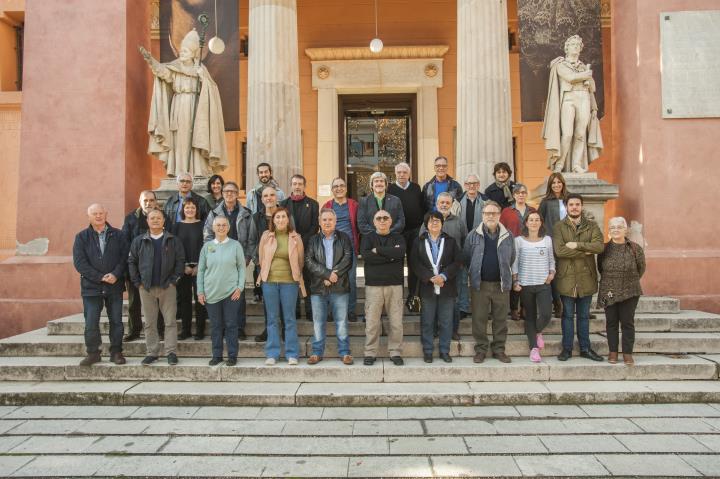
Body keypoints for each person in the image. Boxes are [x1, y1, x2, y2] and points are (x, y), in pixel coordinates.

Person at [139, 29, 228, 177]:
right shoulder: (175, 67)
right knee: (180, 139)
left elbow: (211, 90)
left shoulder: (201, 69)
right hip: (179, 106)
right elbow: (162, 72)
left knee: (197, 137)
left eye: (186, 51)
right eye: (181, 50)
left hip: (197, 108)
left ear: (193, 53)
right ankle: (179, 171)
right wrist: (151, 61)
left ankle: (198, 171)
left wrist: (202, 78)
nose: (182, 53)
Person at [72, 203, 129, 366]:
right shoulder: (81, 237)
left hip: (114, 285)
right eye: (94, 213)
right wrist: (100, 277)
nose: (98, 216)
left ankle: (116, 352)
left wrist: (116, 274)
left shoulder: (118, 235)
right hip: (91, 287)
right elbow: (79, 263)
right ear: (88, 216)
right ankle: (93, 353)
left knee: (116, 321)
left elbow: (125, 257)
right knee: (91, 322)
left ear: (106, 214)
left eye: (101, 213)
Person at [128, 209, 185, 366]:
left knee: (170, 321)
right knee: (150, 322)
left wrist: (174, 280)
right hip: (146, 288)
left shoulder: (173, 240)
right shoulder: (139, 241)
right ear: (147, 221)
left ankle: (171, 352)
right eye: (152, 218)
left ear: (163, 221)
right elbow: (131, 262)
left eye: (158, 218)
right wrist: (137, 282)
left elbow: (180, 261)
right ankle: (152, 352)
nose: (155, 221)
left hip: (168, 287)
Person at [553, 193, 604, 362]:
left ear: (582, 206)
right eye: (571, 204)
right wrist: (585, 251)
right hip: (566, 277)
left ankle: (585, 348)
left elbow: (599, 246)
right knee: (567, 316)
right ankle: (566, 349)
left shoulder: (592, 226)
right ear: (566, 207)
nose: (574, 207)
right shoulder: (559, 227)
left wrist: (576, 245)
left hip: (586, 278)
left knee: (583, 316)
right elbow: (560, 251)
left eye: (577, 204)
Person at [204, 181, 257, 340]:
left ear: (237, 194)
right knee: (220, 294)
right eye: (226, 191)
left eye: (232, 191)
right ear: (222, 193)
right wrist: (212, 258)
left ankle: (239, 327)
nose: (229, 194)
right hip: (219, 261)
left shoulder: (246, 213)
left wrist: (247, 257)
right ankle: (222, 328)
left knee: (238, 295)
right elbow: (207, 236)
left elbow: (251, 238)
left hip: (238, 260)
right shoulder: (214, 213)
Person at [542, 35, 603, 174]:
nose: (575, 46)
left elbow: (592, 87)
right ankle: (559, 163)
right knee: (568, 134)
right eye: (572, 44)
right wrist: (586, 75)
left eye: (578, 45)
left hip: (584, 98)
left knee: (580, 134)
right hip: (569, 98)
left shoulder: (583, 66)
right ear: (567, 48)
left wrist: (589, 80)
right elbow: (570, 77)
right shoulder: (561, 65)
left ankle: (576, 164)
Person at [464, 201, 515, 364]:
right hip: (480, 285)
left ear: (499, 215)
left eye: (494, 213)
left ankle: (499, 350)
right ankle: (481, 349)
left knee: (500, 319)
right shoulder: (473, 235)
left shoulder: (508, 235)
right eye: (487, 213)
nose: (490, 216)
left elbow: (512, 257)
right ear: (482, 215)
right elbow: (467, 258)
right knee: (479, 319)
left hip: (501, 285)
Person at [304, 209, 354, 365]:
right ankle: (317, 353)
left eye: (330, 220)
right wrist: (326, 275)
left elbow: (348, 259)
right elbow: (309, 261)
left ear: (335, 221)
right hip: (318, 287)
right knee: (318, 322)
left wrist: (333, 276)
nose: (327, 222)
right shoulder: (313, 240)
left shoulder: (344, 238)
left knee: (341, 322)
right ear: (319, 222)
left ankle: (345, 353)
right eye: (324, 219)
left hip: (340, 287)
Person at [411, 212, 462, 363]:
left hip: (447, 286)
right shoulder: (418, 241)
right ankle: (428, 351)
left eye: (437, 221)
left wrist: (444, 276)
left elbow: (457, 261)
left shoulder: (451, 241)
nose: (434, 223)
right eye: (431, 221)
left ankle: (444, 351)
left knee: (446, 321)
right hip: (427, 287)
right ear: (426, 224)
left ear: (442, 223)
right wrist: (429, 277)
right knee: (427, 321)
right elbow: (415, 263)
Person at [257, 208, 305, 366]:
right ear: (273, 220)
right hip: (269, 282)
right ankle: (272, 353)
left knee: (289, 318)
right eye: (277, 217)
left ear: (288, 219)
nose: (280, 220)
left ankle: (292, 353)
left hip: (289, 283)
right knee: (272, 319)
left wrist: (296, 277)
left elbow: (300, 261)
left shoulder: (296, 237)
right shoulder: (266, 236)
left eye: (283, 217)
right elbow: (261, 258)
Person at [197, 216, 246, 366]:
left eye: (224, 225)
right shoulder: (207, 247)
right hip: (211, 293)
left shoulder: (235, 245)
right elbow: (201, 270)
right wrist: (200, 291)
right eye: (218, 225)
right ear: (213, 227)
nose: (221, 227)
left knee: (231, 324)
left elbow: (241, 268)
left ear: (228, 227)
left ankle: (232, 355)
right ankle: (217, 355)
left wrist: (240, 287)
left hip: (231, 292)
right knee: (216, 326)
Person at [598, 217, 646, 365]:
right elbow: (601, 268)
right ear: (609, 230)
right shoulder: (604, 249)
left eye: (619, 227)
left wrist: (628, 281)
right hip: (609, 290)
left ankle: (627, 353)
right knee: (611, 323)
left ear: (625, 230)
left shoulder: (635, 248)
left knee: (627, 323)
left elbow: (641, 268)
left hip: (630, 290)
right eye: (612, 227)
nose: (616, 230)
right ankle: (613, 352)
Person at [361, 210, 406, 366]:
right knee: (372, 323)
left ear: (390, 221)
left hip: (395, 285)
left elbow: (400, 253)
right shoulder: (368, 238)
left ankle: (395, 352)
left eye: (385, 218)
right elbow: (367, 256)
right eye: (378, 218)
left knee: (396, 322)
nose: (382, 220)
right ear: (374, 222)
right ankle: (370, 353)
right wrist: (390, 257)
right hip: (374, 286)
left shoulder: (398, 237)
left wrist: (379, 251)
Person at [420, 192, 467, 340]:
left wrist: (459, 264)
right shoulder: (427, 220)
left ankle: (453, 330)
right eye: (442, 203)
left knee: (454, 301)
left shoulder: (459, 221)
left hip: (453, 270)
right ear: (437, 204)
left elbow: (464, 242)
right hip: (432, 271)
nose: (445, 205)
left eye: (447, 202)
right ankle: (433, 329)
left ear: (452, 204)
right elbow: (421, 243)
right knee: (432, 301)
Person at [512, 211, 555, 363]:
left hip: (543, 283)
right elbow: (515, 262)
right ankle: (534, 349)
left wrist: (552, 273)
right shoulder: (518, 241)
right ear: (526, 223)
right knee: (529, 317)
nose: (534, 222)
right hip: (525, 284)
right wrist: (515, 281)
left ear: (541, 222)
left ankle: (537, 332)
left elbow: (551, 259)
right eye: (531, 220)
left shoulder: (547, 240)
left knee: (546, 314)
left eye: (537, 219)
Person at [122, 190, 165, 341]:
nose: (148, 203)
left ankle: (160, 331)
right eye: (145, 200)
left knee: (158, 302)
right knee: (134, 302)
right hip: (135, 268)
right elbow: (125, 243)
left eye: (151, 200)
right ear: (140, 202)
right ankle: (134, 331)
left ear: (156, 202)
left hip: (157, 268)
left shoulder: (162, 217)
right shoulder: (130, 218)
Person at [280, 174, 319, 320]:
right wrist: (292, 239)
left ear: (304, 186)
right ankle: (294, 311)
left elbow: (315, 226)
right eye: (294, 183)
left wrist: (301, 239)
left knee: (308, 280)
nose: (297, 186)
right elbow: (281, 225)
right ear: (291, 185)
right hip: (289, 247)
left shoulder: (313, 204)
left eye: (300, 184)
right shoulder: (283, 204)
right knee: (292, 280)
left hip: (307, 247)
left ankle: (309, 311)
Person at [388, 162, 426, 310]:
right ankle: (396, 297)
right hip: (397, 232)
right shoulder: (390, 189)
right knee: (396, 263)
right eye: (399, 172)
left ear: (409, 174)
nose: (402, 175)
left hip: (415, 231)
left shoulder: (416, 188)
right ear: (395, 174)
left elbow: (423, 207)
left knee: (414, 264)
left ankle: (413, 297)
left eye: (404, 172)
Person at [322, 177, 360, 322]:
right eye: (336, 186)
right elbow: (322, 225)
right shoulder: (327, 205)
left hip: (349, 249)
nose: (339, 188)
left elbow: (359, 225)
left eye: (342, 185)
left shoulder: (354, 205)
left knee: (350, 280)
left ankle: (350, 311)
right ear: (332, 190)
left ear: (345, 188)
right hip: (330, 248)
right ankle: (331, 311)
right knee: (331, 280)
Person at [251, 186, 285, 342]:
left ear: (277, 197)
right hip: (264, 266)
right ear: (262, 199)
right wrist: (257, 260)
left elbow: (292, 237)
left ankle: (285, 329)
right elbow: (252, 241)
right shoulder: (256, 218)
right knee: (268, 301)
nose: (269, 198)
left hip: (284, 266)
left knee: (285, 300)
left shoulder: (284, 215)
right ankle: (269, 329)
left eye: (272, 195)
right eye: (266, 195)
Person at [500, 183, 537, 321]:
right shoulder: (507, 211)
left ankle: (525, 308)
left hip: (530, 247)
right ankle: (514, 309)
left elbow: (538, 225)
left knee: (527, 279)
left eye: (523, 192)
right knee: (514, 278)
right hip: (512, 248)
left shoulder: (532, 210)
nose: (521, 195)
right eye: (518, 193)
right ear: (514, 195)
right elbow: (501, 230)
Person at [172, 197, 207, 340]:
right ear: (183, 209)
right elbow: (174, 248)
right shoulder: (177, 226)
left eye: (193, 207)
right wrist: (183, 265)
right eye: (187, 207)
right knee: (184, 299)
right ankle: (185, 330)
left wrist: (200, 265)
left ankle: (200, 330)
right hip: (183, 267)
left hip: (200, 266)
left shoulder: (203, 225)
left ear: (197, 210)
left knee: (200, 299)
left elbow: (207, 246)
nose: (190, 210)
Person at [453, 174, 486, 321]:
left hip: (481, 244)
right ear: (465, 185)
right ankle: (463, 307)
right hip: (462, 244)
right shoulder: (457, 202)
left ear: (478, 185)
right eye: (468, 183)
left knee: (481, 277)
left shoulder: (486, 201)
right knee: (462, 277)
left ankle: (482, 308)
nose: (471, 186)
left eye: (474, 183)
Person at [538, 172, 569, 318]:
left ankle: (571, 305)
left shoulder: (569, 199)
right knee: (554, 274)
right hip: (552, 242)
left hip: (570, 242)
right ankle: (558, 304)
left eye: (559, 182)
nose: (556, 185)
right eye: (553, 183)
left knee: (569, 273)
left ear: (563, 183)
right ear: (550, 186)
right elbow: (539, 221)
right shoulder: (546, 202)